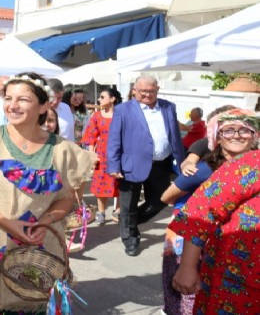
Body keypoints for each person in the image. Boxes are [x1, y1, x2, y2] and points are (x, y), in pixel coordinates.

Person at [0, 73, 96, 313]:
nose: (12, 105)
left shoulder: (66, 151)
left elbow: (67, 198)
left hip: (37, 252)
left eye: (23, 99)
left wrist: (44, 222)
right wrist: (8, 223)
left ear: (44, 106)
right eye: (8, 98)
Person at [160, 108, 258, 315]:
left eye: (245, 131)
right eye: (228, 131)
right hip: (230, 270)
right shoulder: (209, 168)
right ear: (218, 137)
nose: (237, 136)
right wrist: (187, 266)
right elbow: (191, 208)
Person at [107, 75, 185, 256]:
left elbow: (175, 136)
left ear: (157, 89)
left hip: (161, 165)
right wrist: (113, 165)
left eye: (151, 91)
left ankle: (128, 223)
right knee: (128, 205)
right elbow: (114, 139)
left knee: (160, 201)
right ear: (134, 90)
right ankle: (130, 239)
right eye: (143, 91)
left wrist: (181, 162)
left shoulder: (168, 107)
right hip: (130, 165)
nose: (147, 95)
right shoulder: (122, 110)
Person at [82, 88, 122, 225]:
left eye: (102, 97)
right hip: (102, 154)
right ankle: (101, 212)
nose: (99, 99)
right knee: (101, 184)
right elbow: (91, 136)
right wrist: (91, 155)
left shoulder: (121, 114)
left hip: (119, 153)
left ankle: (118, 211)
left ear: (113, 99)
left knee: (120, 183)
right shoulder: (97, 116)